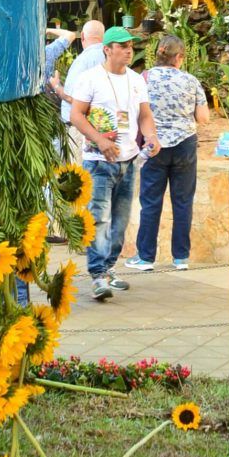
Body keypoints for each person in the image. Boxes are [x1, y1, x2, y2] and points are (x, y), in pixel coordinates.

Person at [70, 27, 160, 302]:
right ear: (107, 49)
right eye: (121, 46)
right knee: (99, 220)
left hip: (128, 161)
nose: (128, 50)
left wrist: (153, 136)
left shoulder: (136, 80)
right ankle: (97, 274)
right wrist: (100, 140)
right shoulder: (90, 79)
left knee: (120, 222)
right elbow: (76, 115)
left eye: (130, 45)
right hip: (98, 162)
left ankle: (108, 269)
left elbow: (145, 115)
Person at [123, 33, 209, 272]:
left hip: (154, 144)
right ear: (179, 57)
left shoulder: (143, 78)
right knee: (183, 201)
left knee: (150, 201)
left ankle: (146, 257)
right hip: (185, 145)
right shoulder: (191, 81)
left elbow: (134, 111)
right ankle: (181, 258)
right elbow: (203, 117)